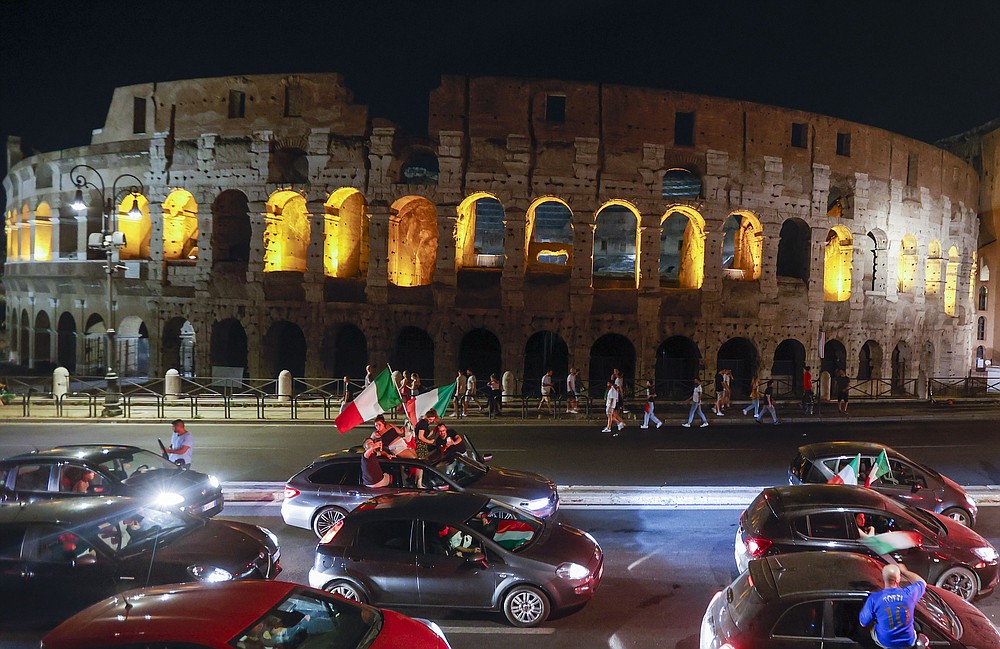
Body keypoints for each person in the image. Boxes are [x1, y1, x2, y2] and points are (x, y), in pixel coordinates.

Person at [860, 562, 926, 648]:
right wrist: (905, 571)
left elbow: (863, 623)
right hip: (908, 642)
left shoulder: (874, 599)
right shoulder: (909, 594)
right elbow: (922, 582)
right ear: (898, 579)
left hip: (886, 643)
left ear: (883, 578)